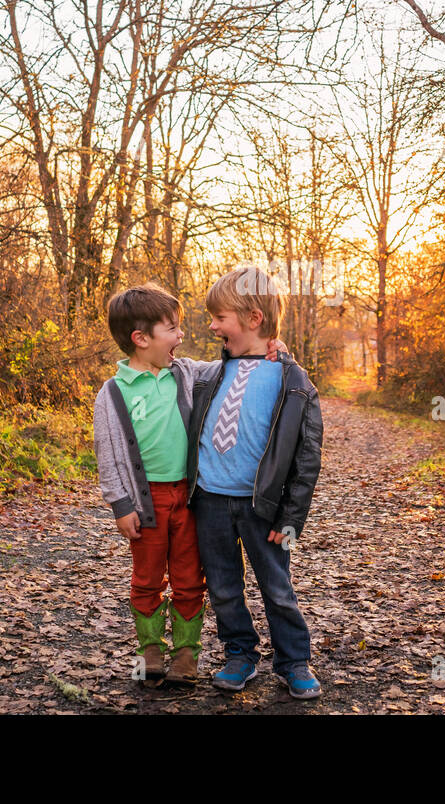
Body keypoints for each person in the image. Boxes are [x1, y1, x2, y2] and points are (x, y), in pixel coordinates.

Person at [92, 282, 281, 686]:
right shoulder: (112, 393)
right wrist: (120, 505)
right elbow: (107, 456)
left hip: (190, 498)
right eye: (172, 329)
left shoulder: (185, 373)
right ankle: (151, 649)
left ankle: (186, 654)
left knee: (188, 578)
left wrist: (272, 349)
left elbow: (232, 364)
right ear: (141, 339)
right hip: (146, 505)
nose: (182, 336)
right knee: (146, 578)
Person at [185, 265, 324, 699]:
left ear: (253, 318)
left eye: (219, 317)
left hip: (260, 506)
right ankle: (239, 653)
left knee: (276, 587)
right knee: (224, 586)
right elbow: (168, 368)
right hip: (208, 501)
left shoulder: (292, 380)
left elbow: (306, 459)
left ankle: (293, 659)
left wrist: (291, 519)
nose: (211, 326)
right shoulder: (211, 373)